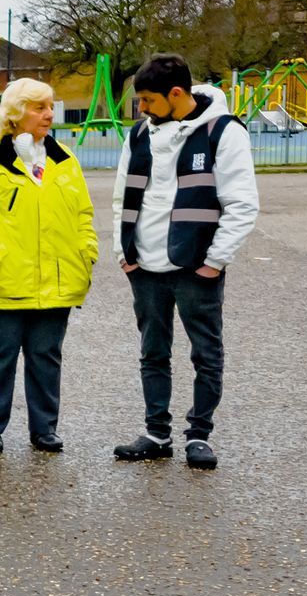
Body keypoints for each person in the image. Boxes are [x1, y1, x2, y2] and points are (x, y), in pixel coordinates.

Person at [110, 53, 259, 470]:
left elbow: (242, 204)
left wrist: (215, 260)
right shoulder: (138, 135)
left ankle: (199, 435)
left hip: (197, 268)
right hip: (145, 268)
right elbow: (122, 196)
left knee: (205, 353)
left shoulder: (223, 133)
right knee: (152, 352)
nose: (142, 109)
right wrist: (124, 253)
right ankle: (156, 433)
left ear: (176, 94)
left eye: (148, 100)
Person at [0, 78, 96, 455]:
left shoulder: (64, 159)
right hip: (3, 284)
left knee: (46, 359)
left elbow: (83, 214)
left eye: (50, 106)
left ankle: (44, 429)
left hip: (56, 284)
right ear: (16, 114)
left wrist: (86, 255)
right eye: (38, 107)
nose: (49, 114)